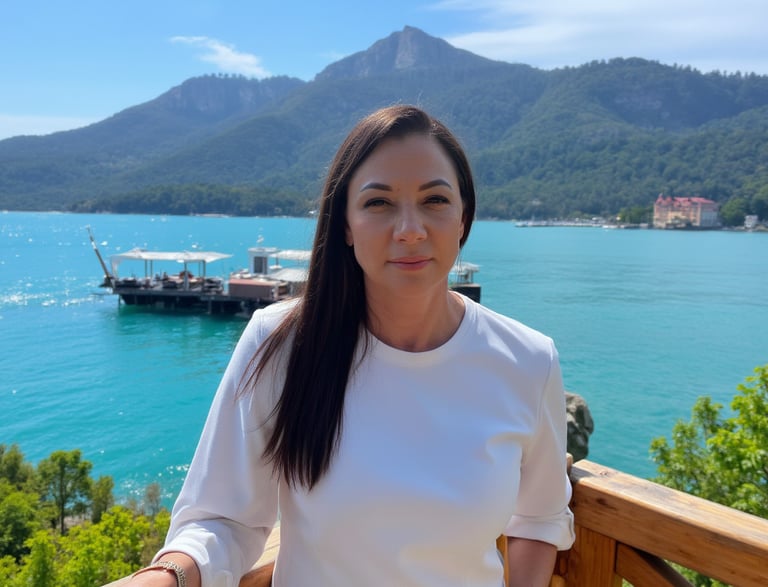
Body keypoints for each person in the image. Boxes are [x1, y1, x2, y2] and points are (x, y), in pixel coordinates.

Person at [128, 105, 575, 587]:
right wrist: (168, 575)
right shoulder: (281, 343)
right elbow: (222, 519)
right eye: (379, 203)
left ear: (463, 217)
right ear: (345, 223)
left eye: (435, 200)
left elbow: (540, 518)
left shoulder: (529, 361)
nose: (410, 229)